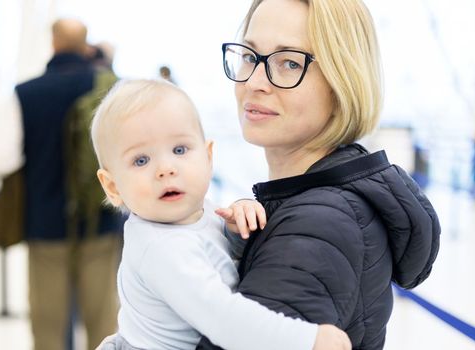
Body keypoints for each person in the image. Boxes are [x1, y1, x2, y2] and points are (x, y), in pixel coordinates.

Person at [199, 0, 441, 349]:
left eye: (289, 63)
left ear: (342, 82)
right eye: (250, 57)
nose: (254, 82)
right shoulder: (323, 200)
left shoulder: (317, 227)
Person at [90, 79, 351, 350]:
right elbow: (225, 320)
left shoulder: (198, 212)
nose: (165, 168)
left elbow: (217, 256)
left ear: (208, 156)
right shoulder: (161, 248)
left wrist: (236, 231)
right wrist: (306, 340)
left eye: (179, 150)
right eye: (141, 160)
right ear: (112, 186)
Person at [0, 18, 123, 350]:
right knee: (103, 322)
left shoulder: (26, 93)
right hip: (99, 221)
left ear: (53, 44)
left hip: (45, 224)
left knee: (47, 327)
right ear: (86, 45)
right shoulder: (111, 89)